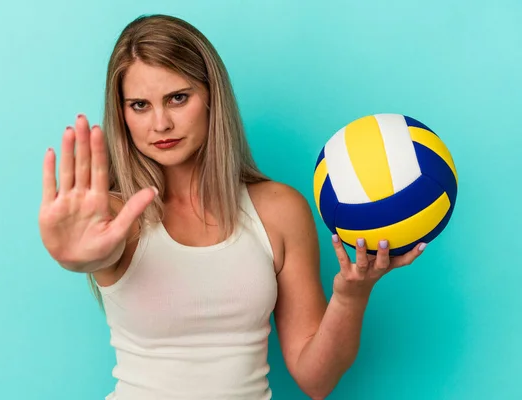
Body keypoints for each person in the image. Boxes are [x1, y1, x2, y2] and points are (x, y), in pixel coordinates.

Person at [38, 14, 425, 400]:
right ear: (122, 114)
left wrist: (351, 295)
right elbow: (85, 254)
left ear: (212, 97)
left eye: (178, 98)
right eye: (139, 105)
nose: (161, 123)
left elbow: (316, 380)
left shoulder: (280, 210)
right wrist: (72, 256)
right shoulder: (115, 218)